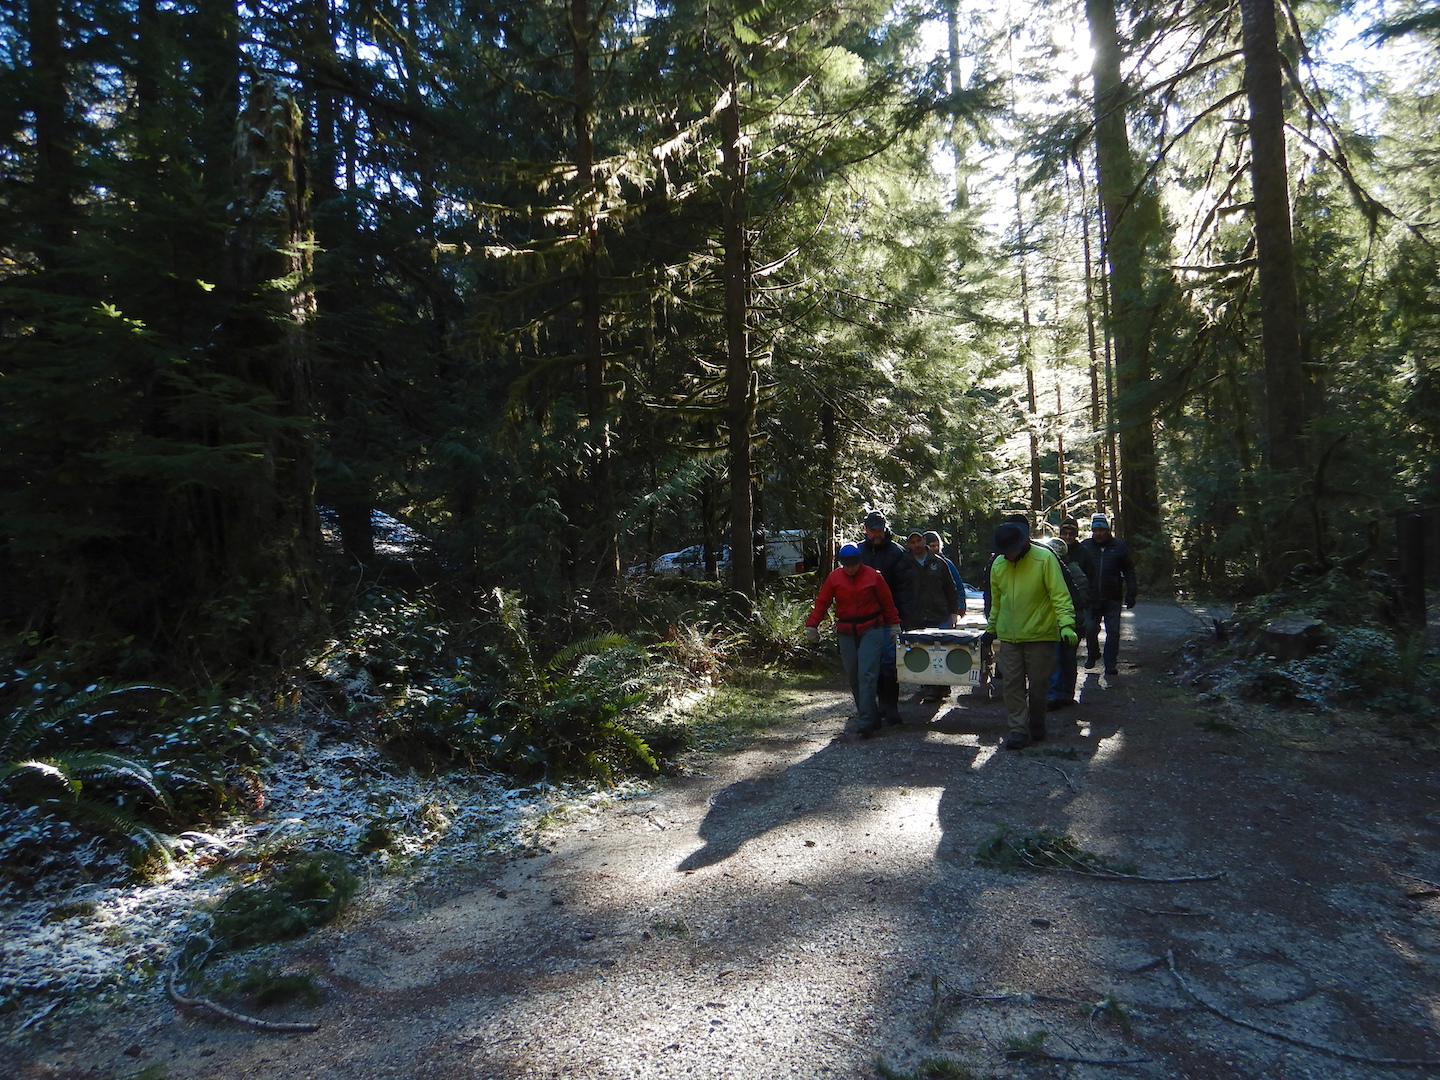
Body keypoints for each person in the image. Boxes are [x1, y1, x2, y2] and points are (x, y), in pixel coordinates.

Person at [984, 522, 1076, 750]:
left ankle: (1037, 721)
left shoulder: (1044, 559)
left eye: (1011, 550)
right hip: (1009, 637)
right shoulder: (998, 564)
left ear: (1023, 543)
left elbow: (1060, 595)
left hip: (1040, 635)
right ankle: (1018, 729)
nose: (1008, 555)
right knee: (1011, 685)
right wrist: (991, 628)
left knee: (1038, 686)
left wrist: (1066, 624)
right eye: (1004, 551)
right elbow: (998, 602)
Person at [804, 543, 902, 738]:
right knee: (854, 676)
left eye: (853, 564)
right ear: (841, 564)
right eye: (846, 565)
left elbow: (887, 602)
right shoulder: (835, 578)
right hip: (846, 631)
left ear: (859, 561)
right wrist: (812, 625)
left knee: (867, 674)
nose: (850, 568)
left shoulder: (874, 576)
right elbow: (822, 602)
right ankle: (872, 716)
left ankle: (865, 722)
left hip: (872, 629)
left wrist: (894, 625)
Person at [858, 512, 913, 724]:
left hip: (889, 620)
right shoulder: (858, 552)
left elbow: (905, 590)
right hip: (863, 620)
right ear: (865, 530)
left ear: (884, 528)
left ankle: (891, 706)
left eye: (879, 530)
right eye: (872, 530)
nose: (876, 534)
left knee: (889, 665)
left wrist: (903, 620)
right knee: (869, 666)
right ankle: (874, 707)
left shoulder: (897, 553)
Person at [905, 529, 962, 703]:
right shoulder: (904, 563)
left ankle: (943, 685)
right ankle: (930, 688)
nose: (916, 545)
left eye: (918, 541)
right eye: (912, 542)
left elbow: (951, 588)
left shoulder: (939, 563)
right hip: (916, 615)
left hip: (940, 613)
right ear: (909, 544)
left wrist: (955, 612)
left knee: (942, 650)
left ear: (923, 541)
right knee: (924, 652)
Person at [1080, 513, 1137, 677]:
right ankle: (1093, 654)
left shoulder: (1119, 547)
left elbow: (1129, 571)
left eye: (1101, 530)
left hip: (1113, 596)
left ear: (1107, 531)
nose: (1098, 533)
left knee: (1113, 631)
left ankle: (1110, 663)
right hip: (1091, 597)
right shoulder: (1086, 546)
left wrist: (1131, 592)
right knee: (1090, 629)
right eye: (1095, 530)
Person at [1043, 536, 1090, 710]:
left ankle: (1058, 694)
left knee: (1063, 658)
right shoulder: (1062, 568)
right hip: (1062, 620)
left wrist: (1069, 618)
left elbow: (1081, 597)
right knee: (1062, 659)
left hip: (1070, 622)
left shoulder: (1070, 570)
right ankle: (1062, 694)